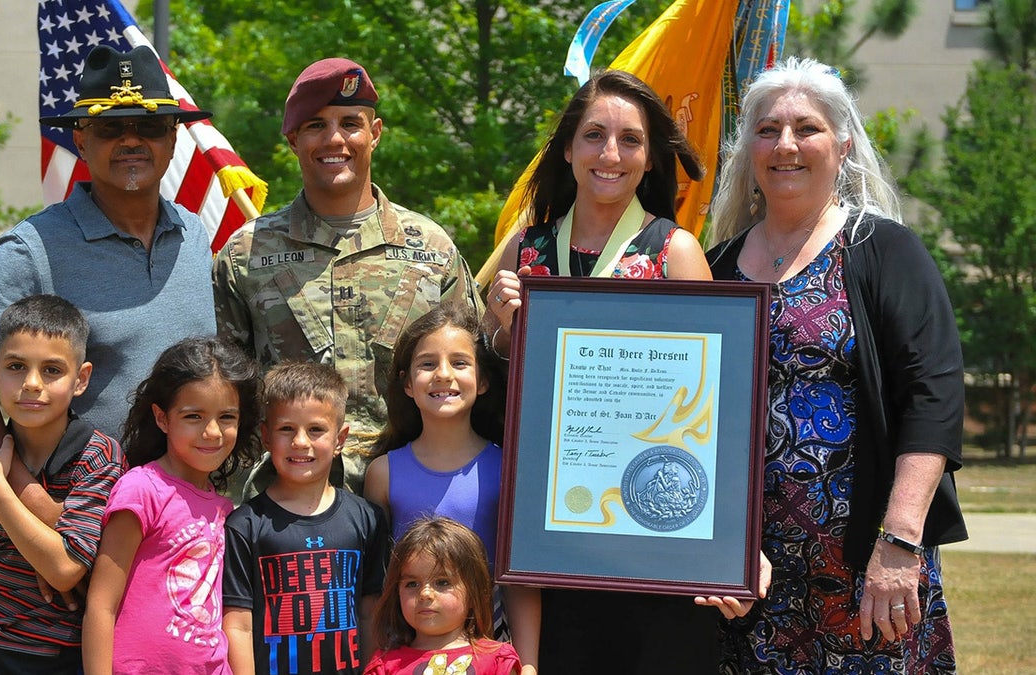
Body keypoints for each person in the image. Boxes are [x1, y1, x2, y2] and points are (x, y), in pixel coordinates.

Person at [485, 69, 751, 672]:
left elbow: (720, 404)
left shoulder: (673, 251)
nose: (611, 154)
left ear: (652, 156)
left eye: (630, 139)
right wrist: (500, 330)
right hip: (549, 533)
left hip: (652, 532)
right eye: (594, 135)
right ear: (568, 149)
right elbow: (494, 390)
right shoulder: (521, 252)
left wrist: (730, 542)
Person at [706, 57, 965, 673]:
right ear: (749, 149)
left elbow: (933, 395)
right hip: (749, 579)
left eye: (807, 128)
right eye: (767, 130)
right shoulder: (715, 268)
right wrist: (720, 545)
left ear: (843, 144)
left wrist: (901, 542)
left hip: (868, 567)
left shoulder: (884, 251)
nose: (785, 145)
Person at [212, 57, 481, 497]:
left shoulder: (432, 249)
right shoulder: (247, 253)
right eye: (316, 125)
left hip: (412, 494)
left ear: (374, 134)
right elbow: (225, 391)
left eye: (350, 123)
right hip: (287, 500)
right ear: (293, 139)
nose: (334, 139)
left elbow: (474, 370)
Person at [0, 42, 216, 467]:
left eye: (149, 126)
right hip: (77, 511)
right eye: (110, 128)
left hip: (185, 510)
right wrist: (28, 499)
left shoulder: (195, 235)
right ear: (81, 140)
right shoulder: (32, 248)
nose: (130, 140)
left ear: (173, 138)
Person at [0, 295, 125, 674]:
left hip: (58, 656)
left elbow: (65, 568)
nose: (32, 384)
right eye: (16, 366)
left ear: (81, 379)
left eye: (52, 370)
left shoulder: (98, 457)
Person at [363, 302, 539, 674]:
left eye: (460, 363)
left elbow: (521, 581)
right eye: (427, 364)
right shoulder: (383, 474)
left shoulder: (510, 468)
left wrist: (529, 664)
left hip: (491, 656)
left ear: (484, 379)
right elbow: (375, 588)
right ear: (407, 383)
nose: (443, 374)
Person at [82, 337, 261, 675]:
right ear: (162, 418)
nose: (212, 432)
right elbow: (101, 606)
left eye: (226, 417)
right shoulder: (141, 490)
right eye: (193, 416)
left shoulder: (223, 507)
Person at [222, 362, 390, 675]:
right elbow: (239, 626)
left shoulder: (367, 519)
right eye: (286, 428)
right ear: (266, 436)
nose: (300, 441)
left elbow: (370, 615)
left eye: (315, 429)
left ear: (340, 439)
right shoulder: (243, 526)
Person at [365, 517, 521, 675]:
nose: (425, 594)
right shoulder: (384, 665)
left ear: (475, 593)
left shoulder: (497, 660)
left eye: (442, 582)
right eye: (412, 584)